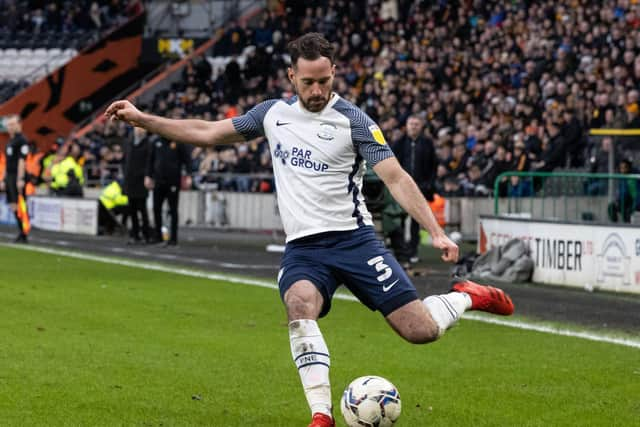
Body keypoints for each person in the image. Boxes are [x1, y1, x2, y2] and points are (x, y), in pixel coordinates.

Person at [105, 33, 514, 427]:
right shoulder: (272, 114)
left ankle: (465, 297)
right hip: (304, 250)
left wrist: (437, 232)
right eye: (308, 82)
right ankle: (321, 414)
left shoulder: (354, 121)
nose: (317, 90)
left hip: (355, 241)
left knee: (420, 331)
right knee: (299, 306)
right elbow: (209, 133)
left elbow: (396, 178)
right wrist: (143, 119)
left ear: (334, 72)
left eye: (324, 80)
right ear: (291, 77)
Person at [391, 115, 437, 264]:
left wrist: (429, 184)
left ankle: (413, 251)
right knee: (401, 220)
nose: (413, 127)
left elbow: (433, 166)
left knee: (417, 221)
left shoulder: (427, 144)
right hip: (402, 188)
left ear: (421, 126)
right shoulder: (399, 143)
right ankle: (402, 252)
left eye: (416, 124)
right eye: (411, 124)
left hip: (420, 188)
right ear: (406, 125)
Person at [145, 128, 192, 247]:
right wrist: (148, 176)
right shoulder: (156, 142)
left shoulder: (178, 142)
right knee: (157, 209)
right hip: (158, 181)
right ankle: (158, 236)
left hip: (173, 181)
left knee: (173, 210)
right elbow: (150, 160)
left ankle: (173, 239)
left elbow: (187, 160)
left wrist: (188, 175)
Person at [123, 127, 152, 244]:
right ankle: (135, 235)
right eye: (137, 128)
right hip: (130, 181)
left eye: (141, 128)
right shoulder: (129, 143)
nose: (139, 130)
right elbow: (125, 161)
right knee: (132, 210)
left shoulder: (148, 144)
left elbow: (149, 162)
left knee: (142, 209)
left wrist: (148, 175)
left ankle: (146, 235)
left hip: (141, 181)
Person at [3, 115, 30, 243]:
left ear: (19, 124)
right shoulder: (10, 141)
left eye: (12, 124)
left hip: (16, 176)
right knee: (13, 204)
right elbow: (7, 162)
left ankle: (24, 232)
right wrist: (4, 179)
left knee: (20, 204)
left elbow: (22, 161)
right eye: (9, 125)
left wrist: (20, 179)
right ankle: (21, 231)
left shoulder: (22, 141)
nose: (9, 127)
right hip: (9, 176)